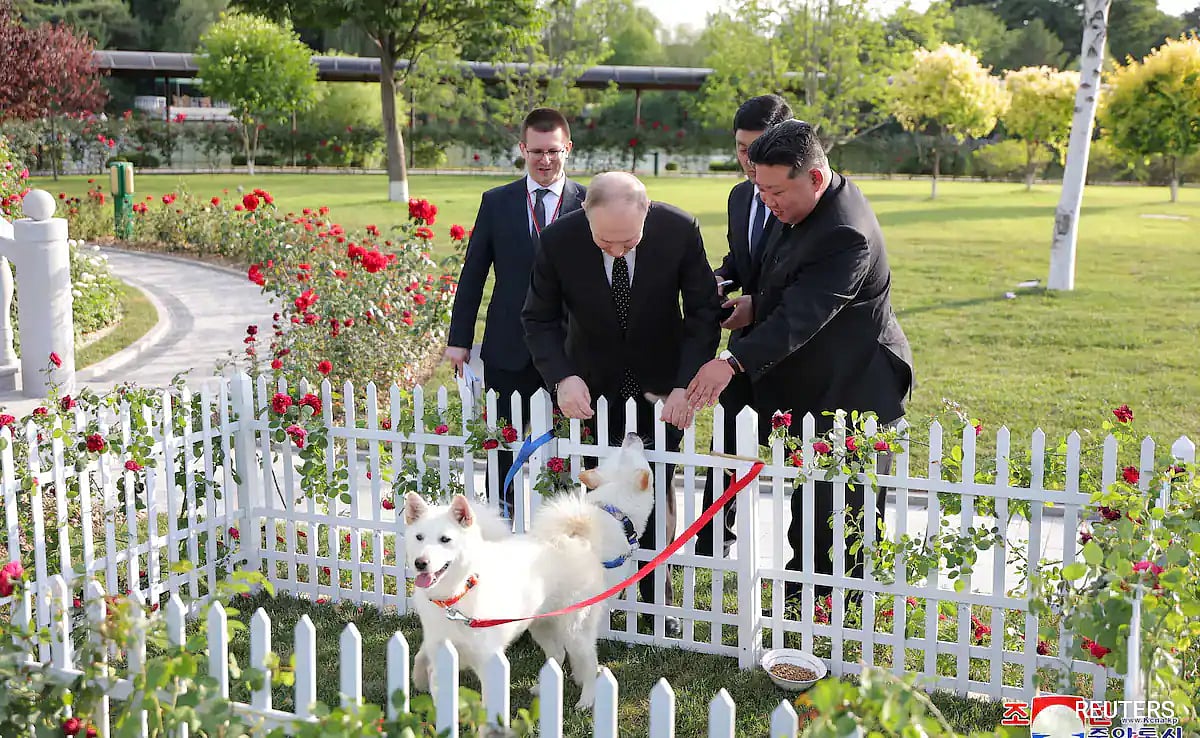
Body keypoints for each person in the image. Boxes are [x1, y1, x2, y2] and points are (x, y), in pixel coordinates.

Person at [685, 120, 914, 600]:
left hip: (855, 386)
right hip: (810, 380)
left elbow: (804, 316)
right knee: (809, 502)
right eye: (759, 188)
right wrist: (753, 304)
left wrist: (730, 362)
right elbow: (784, 282)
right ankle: (802, 594)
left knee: (838, 514)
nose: (766, 201)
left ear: (813, 177)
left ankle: (835, 607)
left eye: (774, 191)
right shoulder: (800, 205)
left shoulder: (845, 232)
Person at [522, 172, 722, 635]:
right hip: (591, 387)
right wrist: (562, 377)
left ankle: (657, 603)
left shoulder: (679, 230)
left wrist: (684, 384)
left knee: (654, 485)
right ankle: (598, 595)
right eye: (605, 241)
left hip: (662, 388)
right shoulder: (558, 240)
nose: (617, 250)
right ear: (585, 217)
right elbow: (538, 317)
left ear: (646, 212)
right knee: (599, 493)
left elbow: (702, 314)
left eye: (628, 240)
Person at [445, 108, 586, 516]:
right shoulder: (497, 202)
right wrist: (458, 341)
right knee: (502, 444)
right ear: (523, 149)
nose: (545, 160)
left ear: (568, 149)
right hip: (508, 346)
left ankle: (560, 523)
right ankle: (502, 519)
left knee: (564, 445)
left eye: (554, 151)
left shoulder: (588, 201)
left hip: (568, 348)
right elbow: (473, 273)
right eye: (536, 151)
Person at [695, 94, 793, 558]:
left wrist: (759, 303)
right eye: (740, 149)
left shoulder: (799, 200)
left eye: (759, 149)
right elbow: (742, 261)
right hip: (743, 344)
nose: (750, 162)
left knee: (799, 461)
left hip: (796, 345)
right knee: (727, 448)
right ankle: (715, 540)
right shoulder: (738, 196)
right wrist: (720, 279)